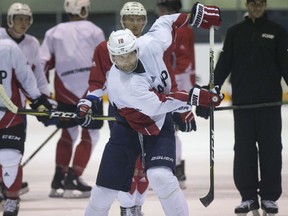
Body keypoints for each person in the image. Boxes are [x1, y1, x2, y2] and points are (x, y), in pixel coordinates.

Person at [79, 9, 223, 216]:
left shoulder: (151, 43)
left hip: (158, 123)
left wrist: (196, 16)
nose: (125, 62)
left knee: (161, 176)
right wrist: (198, 97)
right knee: (105, 190)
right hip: (128, 125)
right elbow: (161, 104)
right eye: (119, 58)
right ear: (112, 57)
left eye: (129, 54)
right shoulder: (122, 84)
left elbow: (167, 21)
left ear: (136, 49)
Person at [212, 0, 288, 215]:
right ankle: (248, 197)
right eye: (254, 3)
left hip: (269, 104)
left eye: (261, 3)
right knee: (244, 151)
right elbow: (224, 63)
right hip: (243, 104)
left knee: (271, 150)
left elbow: (285, 64)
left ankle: (269, 197)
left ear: (265, 5)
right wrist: (213, 91)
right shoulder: (235, 32)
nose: (257, 7)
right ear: (247, 4)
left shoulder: (277, 32)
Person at [78, 2, 149, 215]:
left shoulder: (152, 44)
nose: (135, 24)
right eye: (130, 18)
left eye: (139, 19)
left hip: (151, 112)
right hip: (121, 113)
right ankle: (127, 207)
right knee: (125, 163)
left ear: (145, 22)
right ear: (122, 20)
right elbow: (97, 81)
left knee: (144, 166)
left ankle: (136, 206)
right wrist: (88, 100)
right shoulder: (105, 47)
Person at [39, 0, 105, 198]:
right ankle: (73, 177)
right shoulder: (94, 30)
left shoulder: (53, 32)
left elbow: (43, 63)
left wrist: (42, 96)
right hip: (90, 91)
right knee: (90, 134)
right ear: (83, 9)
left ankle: (58, 177)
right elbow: (104, 60)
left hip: (64, 91)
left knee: (68, 134)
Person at [0, 2, 51, 198]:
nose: (23, 23)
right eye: (19, 19)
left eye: (26, 19)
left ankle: (10, 182)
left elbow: (37, 74)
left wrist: (44, 100)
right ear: (10, 20)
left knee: (13, 150)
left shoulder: (31, 43)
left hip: (18, 107)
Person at [156, 0, 196, 189]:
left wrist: (173, 88)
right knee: (171, 127)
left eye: (161, 8)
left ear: (167, 10)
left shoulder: (180, 29)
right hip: (176, 84)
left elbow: (183, 61)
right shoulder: (176, 27)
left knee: (172, 127)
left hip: (178, 85)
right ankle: (176, 167)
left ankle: (176, 167)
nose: (158, 11)